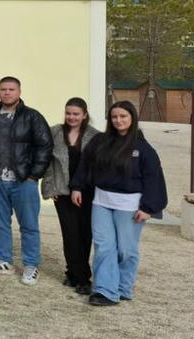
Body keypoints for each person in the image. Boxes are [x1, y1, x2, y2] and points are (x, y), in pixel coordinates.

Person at [70, 101, 167, 306]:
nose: (118, 120)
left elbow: (153, 178)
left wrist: (148, 208)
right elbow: (85, 165)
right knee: (104, 246)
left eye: (123, 116)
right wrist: (77, 187)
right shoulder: (100, 141)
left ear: (132, 118)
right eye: (114, 117)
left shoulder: (143, 148)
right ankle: (105, 291)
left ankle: (123, 288)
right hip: (102, 202)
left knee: (126, 250)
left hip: (130, 206)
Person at [0, 76, 53, 285]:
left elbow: (45, 146)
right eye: (3, 89)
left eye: (11, 89)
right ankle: (3, 260)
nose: (7, 93)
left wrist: (33, 175)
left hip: (22, 180)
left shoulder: (32, 116)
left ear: (19, 91)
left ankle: (31, 265)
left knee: (29, 225)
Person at [43, 97, 100, 294]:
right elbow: (47, 162)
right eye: (68, 113)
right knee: (70, 234)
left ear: (84, 115)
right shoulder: (55, 132)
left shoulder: (95, 136)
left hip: (87, 193)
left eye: (76, 114)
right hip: (62, 191)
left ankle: (82, 277)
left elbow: (96, 166)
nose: (71, 117)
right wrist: (50, 188)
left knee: (84, 234)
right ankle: (74, 274)